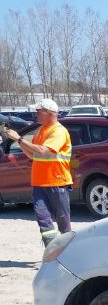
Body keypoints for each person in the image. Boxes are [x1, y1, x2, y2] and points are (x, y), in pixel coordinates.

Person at [3, 99, 73, 246]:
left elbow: (43, 150)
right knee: (43, 220)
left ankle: (69, 250)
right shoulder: (40, 130)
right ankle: (51, 250)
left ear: (50, 113)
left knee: (63, 221)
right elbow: (33, 155)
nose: (36, 114)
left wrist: (19, 138)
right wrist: (18, 141)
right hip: (39, 184)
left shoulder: (59, 131)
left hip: (58, 182)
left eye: (39, 111)